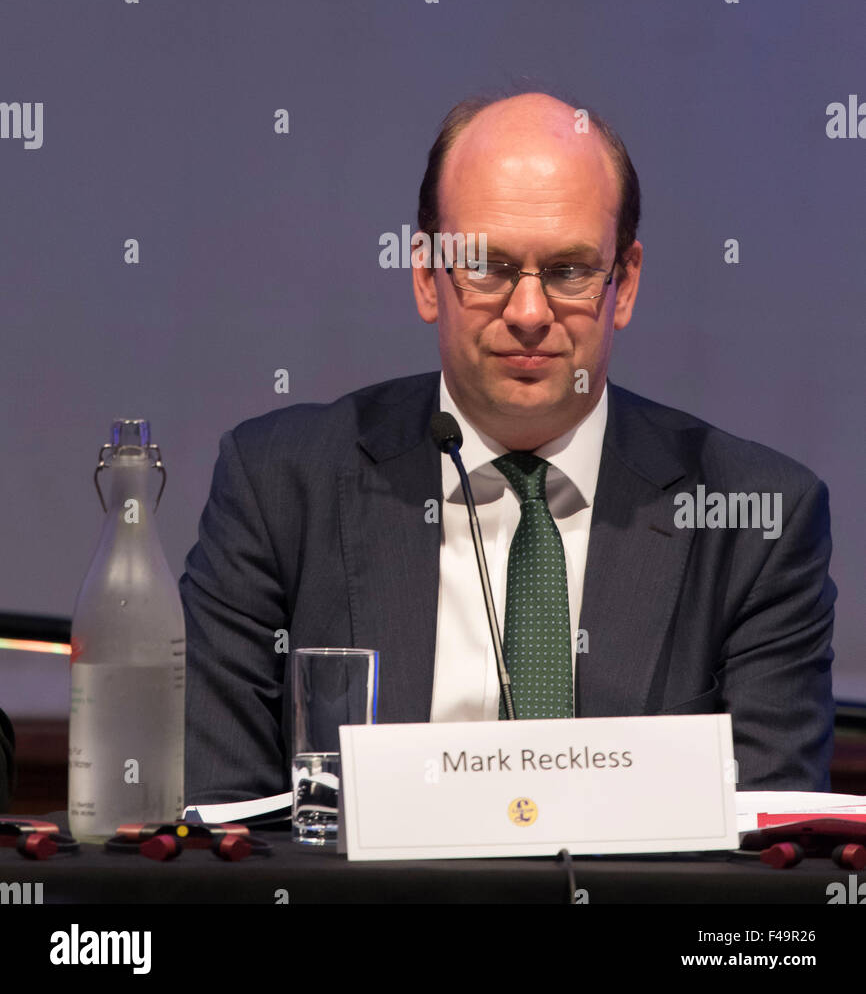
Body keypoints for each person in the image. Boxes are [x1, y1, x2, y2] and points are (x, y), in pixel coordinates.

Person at [180, 92, 836, 804]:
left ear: (625, 285)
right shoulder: (279, 487)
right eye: (487, 267)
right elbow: (227, 826)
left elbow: (764, 852)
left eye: (569, 271)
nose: (529, 315)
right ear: (427, 276)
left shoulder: (752, 520)